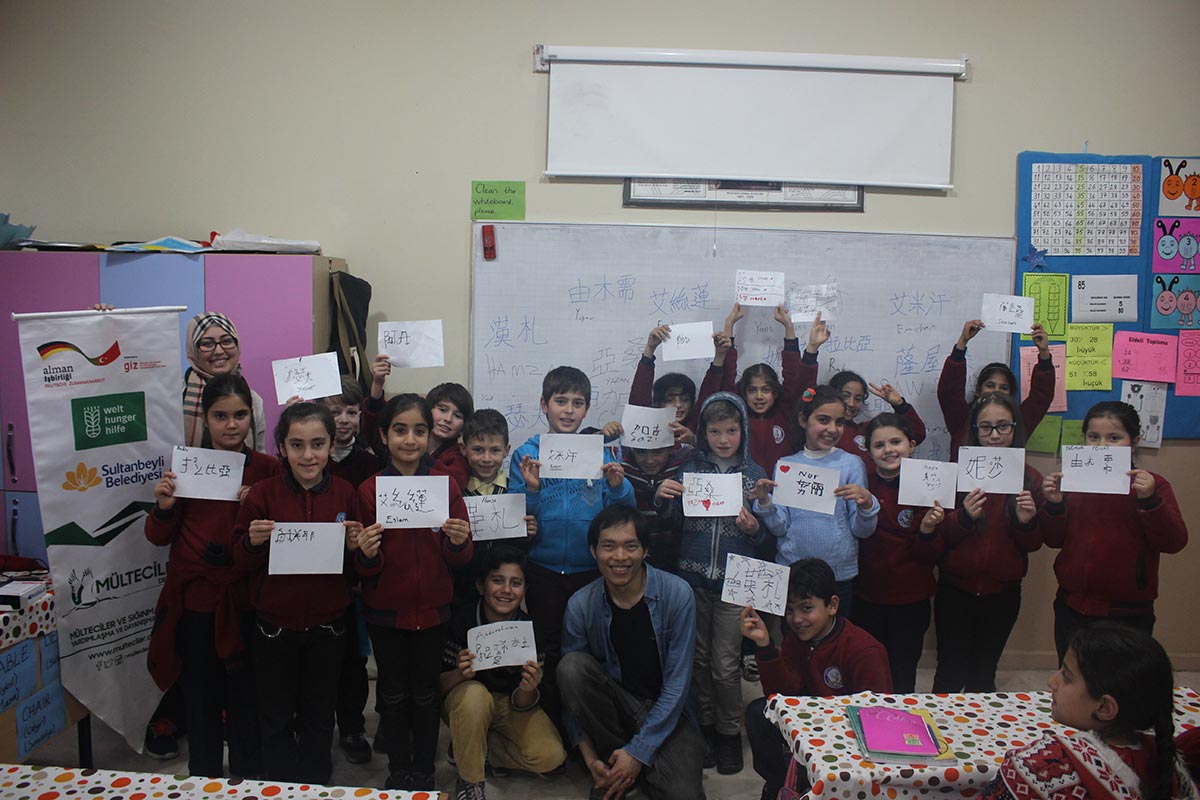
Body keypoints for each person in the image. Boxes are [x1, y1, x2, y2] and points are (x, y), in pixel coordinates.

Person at [145, 374, 278, 778]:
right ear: (206, 418)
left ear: (251, 416)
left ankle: (248, 776)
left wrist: (257, 505)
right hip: (197, 603)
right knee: (199, 695)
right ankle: (203, 777)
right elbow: (158, 537)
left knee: (245, 696)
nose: (231, 425)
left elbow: (279, 537)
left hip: (247, 600)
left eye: (240, 415)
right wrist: (165, 507)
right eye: (221, 416)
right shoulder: (187, 467)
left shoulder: (267, 469)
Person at [232, 402, 364, 785]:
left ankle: (315, 783)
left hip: (328, 628)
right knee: (275, 715)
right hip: (273, 628)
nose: (308, 455)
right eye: (297, 445)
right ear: (282, 447)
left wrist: (356, 548)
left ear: (331, 445)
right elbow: (239, 560)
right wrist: (253, 542)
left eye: (318, 444)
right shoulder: (262, 495)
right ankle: (280, 784)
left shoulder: (345, 493)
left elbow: (359, 568)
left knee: (319, 714)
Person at [355, 394, 473, 791]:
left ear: (428, 435)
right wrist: (366, 553)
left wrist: (458, 540)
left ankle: (423, 770)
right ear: (383, 436)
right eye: (400, 430)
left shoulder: (445, 486)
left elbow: (461, 557)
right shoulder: (369, 491)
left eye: (419, 431)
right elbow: (362, 567)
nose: (410, 440)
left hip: (434, 611)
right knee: (391, 693)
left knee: (425, 694)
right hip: (385, 614)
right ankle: (398, 769)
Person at [508, 366, 635, 724]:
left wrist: (618, 487)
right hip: (543, 569)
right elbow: (516, 519)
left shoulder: (601, 454)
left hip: (589, 571)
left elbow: (623, 516)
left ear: (586, 409)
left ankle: (586, 727)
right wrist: (532, 490)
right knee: (547, 649)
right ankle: (553, 727)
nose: (568, 410)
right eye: (560, 401)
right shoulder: (527, 454)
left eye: (577, 403)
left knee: (588, 649)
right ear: (543, 405)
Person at [558, 504, 705, 800]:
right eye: (608, 546)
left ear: (645, 550)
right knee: (571, 667)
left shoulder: (678, 594)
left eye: (630, 546)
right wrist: (590, 759)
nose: (620, 557)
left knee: (684, 795)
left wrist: (638, 753)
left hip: (668, 711)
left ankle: (629, 768)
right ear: (593, 551)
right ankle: (617, 764)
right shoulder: (580, 605)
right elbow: (570, 692)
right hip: (615, 707)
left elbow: (677, 686)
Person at [654, 392, 766, 774]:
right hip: (693, 579)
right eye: (715, 431)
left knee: (725, 664)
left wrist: (754, 528)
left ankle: (728, 732)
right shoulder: (690, 469)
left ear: (743, 430)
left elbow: (767, 536)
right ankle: (704, 727)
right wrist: (662, 499)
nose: (723, 439)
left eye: (731, 430)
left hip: (735, 584)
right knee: (698, 660)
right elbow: (673, 522)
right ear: (703, 432)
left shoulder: (754, 475)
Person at [981, 623, 1199, 800]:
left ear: (1104, 707)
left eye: (1066, 676)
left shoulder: (1038, 768)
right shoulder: (1169, 765)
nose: (1051, 682)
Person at [1041, 401, 1189, 661]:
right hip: (1072, 604)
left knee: (1121, 678)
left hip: (1127, 611)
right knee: (1073, 674)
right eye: (1093, 437)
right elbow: (1054, 540)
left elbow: (1174, 542)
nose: (1102, 446)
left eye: (1114, 438)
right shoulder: (1074, 482)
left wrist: (1149, 500)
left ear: (1134, 442)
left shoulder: (1152, 486)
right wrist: (1054, 505)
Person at [741, 558, 892, 800]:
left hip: (848, 736)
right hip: (810, 724)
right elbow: (779, 697)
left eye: (806, 608)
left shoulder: (864, 650)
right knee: (759, 713)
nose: (796, 619)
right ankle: (779, 783)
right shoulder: (795, 639)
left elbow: (878, 717)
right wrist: (765, 645)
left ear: (832, 605)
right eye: (790, 610)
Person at [933, 392, 1042, 693]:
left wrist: (1025, 522)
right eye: (986, 427)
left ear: (1015, 428)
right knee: (949, 673)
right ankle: (941, 723)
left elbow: (1034, 544)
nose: (994, 435)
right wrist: (965, 518)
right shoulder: (955, 474)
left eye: (1003, 426)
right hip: (955, 589)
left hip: (1003, 593)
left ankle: (980, 724)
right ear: (975, 430)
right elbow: (939, 537)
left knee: (983, 673)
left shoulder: (1029, 478)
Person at [439, 545, 566, 800]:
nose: (506, 590)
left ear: (524, 591)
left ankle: (471, 747)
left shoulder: (531, 631)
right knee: (474, 696)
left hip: (510, 704)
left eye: (515, 583)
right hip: (467, 701)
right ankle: (470, 782)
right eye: (497, 581)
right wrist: (459, 674)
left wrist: (528, 689)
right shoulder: (460, 621)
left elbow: (523, 703)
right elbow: (438, 687)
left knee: (551, 756)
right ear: (480, 586)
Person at [749, 385, 879, 619]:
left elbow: (862, 531)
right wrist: (765, 502)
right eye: (823, 420)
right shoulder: (787, 465)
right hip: (793, 571)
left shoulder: (851, 464)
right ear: (803, 420)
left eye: (839, 422)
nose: (832, 429)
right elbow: (780, 527)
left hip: (837, 575)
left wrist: (867, 505)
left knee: (835, 637)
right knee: (795, 634)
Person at [855, 413, 945, 693]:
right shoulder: (863, 484)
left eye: (896, 442)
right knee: (870, 667)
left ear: (911, 444)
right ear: (868, 450)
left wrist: (927, 530)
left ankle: (902, 718)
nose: (888, 450)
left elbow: (932, 555)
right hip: (867, 595)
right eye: (879, 445)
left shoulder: (929, 486)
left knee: (903, 670)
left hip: (911, 598)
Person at [321, 376, 381, 765]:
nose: (343, 420)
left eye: (351, 411)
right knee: (320, 658)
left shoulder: (370, 462)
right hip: (317, 574)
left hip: (356, 577)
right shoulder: (309, 458)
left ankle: (353, 726)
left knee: (354, 660)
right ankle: (314, 725)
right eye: (334, 411)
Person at [454, 409, 536, 609]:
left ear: (507, 450)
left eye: (495, 450)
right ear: (463, 448)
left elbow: (520, 551)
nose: (486, 458)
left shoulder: (514, 491)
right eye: (478, 450)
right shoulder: (456, 493)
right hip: (463, 586)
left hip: (503, 591)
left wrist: (527, 534)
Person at [937, 319, 1055, 458]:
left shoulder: (1019, 421)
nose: (996, 391)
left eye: (1003, 388)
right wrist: (962, 342)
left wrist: (1044, 353)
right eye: (990, 386)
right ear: (978, 390)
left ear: (1011, 394)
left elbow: (1041, 397)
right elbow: (949, 393)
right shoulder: (962, 419)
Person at [722, 302, 804, 470]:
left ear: (775, 392)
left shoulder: (785, 413)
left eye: (766, 390)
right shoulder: (738, 416)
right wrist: (729, 325)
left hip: (782, 483)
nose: (759, 397)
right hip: (746, 482)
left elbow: (793, 375)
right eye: (752, 390)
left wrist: (788, 326)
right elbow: (727, 375)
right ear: (744, 393)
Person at [628, 322, 731, 444]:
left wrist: (719, 355)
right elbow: (639, 399)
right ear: (658, 403)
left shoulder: (696, 426)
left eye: (685, 399)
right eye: (669, 399)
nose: (678, 405)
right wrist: (650, 349)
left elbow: (709, 390)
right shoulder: (647, 427)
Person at [183, 312, 267, 451]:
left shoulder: (252, 399)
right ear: (193, 350)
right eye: (207, 344)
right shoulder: (177, 396)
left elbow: (259, 452)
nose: (218, 351)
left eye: (227, 341)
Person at [826, 370, 926, 475]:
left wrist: (900, 405)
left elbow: (917, 434)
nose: (851, 403)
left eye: (858, 399)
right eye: (845, 396)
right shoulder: (822, 431)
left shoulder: (868, 430)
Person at [427, 381, 473, 490]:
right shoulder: (412, 444)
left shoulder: (459, 456)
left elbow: (455, 484)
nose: (448, 419)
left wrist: (424, 460)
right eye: (443, 410)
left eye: (457, 416)